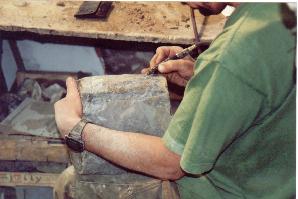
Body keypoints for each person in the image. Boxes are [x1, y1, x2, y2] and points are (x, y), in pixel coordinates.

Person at [54, 2, 296, 198]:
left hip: (230, 190)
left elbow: (172, 165)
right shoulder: (280, 13)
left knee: (70, 184)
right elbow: (264, 83)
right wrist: (205, 77)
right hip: (277, 177)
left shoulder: (234, 51)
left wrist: (78, 130)